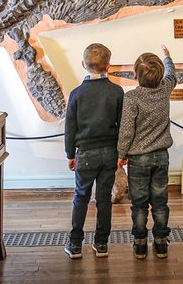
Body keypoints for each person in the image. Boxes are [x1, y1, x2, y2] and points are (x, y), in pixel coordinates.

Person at [64, 43, 124, 260]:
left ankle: (75, 245)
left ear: (83, 65)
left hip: (85, 153)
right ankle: (101, 244)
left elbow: (70, 127)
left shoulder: (76, 94)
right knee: (104, 199)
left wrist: (70, 154)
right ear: (108, 66)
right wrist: (121, 152)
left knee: (81, 196)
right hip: (109, 152)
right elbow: (122, 125)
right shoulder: (117, 92)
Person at [117, 44, 176, 259]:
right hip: (161, 157)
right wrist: (167, 57)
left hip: (138, 159)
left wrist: (121, 154)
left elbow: (126, 130)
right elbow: (173, 75)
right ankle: (161, 242)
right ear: (160, 75)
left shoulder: (131, 97)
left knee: (139, 203)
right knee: (160, 202)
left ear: (135, 75)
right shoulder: (165, 89)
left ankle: (140, 242)